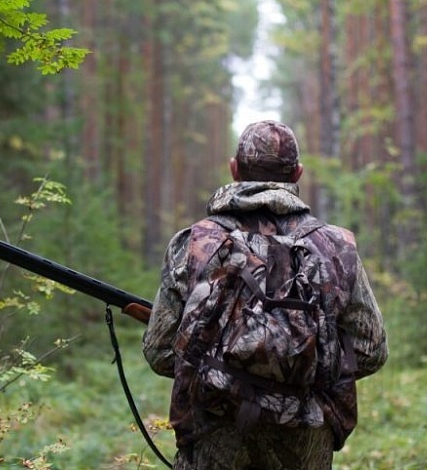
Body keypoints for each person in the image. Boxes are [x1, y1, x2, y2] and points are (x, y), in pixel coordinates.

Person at [142, 120, 388, 470]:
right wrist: (301, 373)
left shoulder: (195, 243)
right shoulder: (335, 246)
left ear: (234, 169)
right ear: (298, 173)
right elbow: (371, 350)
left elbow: (160, 351)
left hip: (216, 429)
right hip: (307, 434)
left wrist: (224, 373)